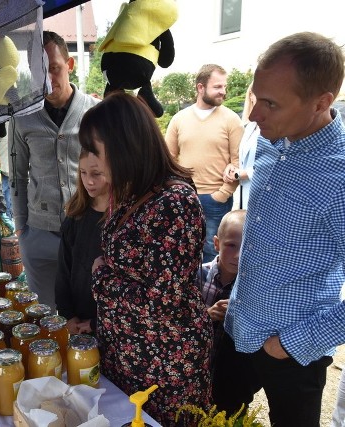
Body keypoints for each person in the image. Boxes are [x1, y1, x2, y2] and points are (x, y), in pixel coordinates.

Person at [221, 32, 345, 427]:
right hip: (238, 325)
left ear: (321, 103)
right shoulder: (271, 141)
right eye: (256, 98)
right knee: (213, 416)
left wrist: (294, 343)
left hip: (291, 350)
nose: (254, 116)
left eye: (270, 104)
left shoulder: (339, 175)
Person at [82, 91, 213, 426]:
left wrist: (101, 278)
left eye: (95, 149)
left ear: (124, 144)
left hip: (165, 364)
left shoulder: (174, 202)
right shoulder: (132, 191)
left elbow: (161, 302)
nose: (91, 160)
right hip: (128, 355)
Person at [10, 31, 99, 310]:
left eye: (54, 68)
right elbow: (17, 175)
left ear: (70, 65)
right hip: (39, 232)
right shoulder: (22, 117)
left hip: (87, 229)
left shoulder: (94, 113)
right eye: (39, 72)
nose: (48, 79)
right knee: (47, 313)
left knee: (88, 309)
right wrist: (22, 227)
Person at [165, 64, 244, 262]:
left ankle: (210, 293)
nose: (223, 92)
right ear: (201, 88)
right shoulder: (179, 119)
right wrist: (174, 190)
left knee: (212, 253)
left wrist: (222, 194)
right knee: (181, 250)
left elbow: (238, 162)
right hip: (183, 197)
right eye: (218, 87)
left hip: (215, 200)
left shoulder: (231, 120)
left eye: (224, 87)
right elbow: (168, 159)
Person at [55, 150, 109, 335]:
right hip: (77, 319)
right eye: (83, 173)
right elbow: (63, 271)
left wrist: (97, 323)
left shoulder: (122, 220)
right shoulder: (75, 215)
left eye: (96, 173)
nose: (89, 181)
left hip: (110, 323)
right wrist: (67, 315)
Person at [198, 209, 246, 375]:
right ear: (217, 243)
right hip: (196, 363)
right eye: (231, 245)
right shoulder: (197, 276)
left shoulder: (251, 288)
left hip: (229, 372)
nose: (239, 255)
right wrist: (207, 315)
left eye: (246, 246)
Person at [224, 83, 259, 209]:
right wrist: (232, 166)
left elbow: (274, 164)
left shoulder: (277, 128)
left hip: (263, 195)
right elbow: (243, 158)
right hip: (245, 195)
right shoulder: (249, 126)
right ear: (251, 95)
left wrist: (241, 174)